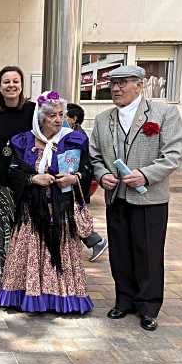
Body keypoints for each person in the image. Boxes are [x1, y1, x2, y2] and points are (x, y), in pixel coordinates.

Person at [89, 65, 182, 331]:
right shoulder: (103, 119)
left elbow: (173, 156)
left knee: (149, 253)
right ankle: (124, 300)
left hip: (150, 199)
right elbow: (95, 155)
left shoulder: (164, 114)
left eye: (123, 83)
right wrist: (102, 174)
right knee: (119, 252)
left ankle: (149, 306)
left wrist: (146, 174)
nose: (115, 89)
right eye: (113, 84)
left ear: (140, 85)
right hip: (116, 197)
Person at [0, 91, 93, 314]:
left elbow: (88, 169)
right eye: (52, 116)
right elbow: (10, 173)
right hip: (32, 211)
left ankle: (61, 298)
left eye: (61, 114)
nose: (58, 119)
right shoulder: (22, 141)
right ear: (40, 118)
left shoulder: (74, 140)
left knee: (60, 253)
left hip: (62, 211)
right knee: (28, 252)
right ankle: (28, 296)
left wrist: (75, 178)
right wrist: (32, 179)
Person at [0, 66, 35, 277]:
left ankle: (24, 274)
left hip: (27, 178)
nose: (11, 85)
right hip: (0, 177)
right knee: (0, 228)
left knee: (25, 228)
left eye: (16, 81)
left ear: (22, 85)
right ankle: (3, 274)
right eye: (6, 82)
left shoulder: (33, 110)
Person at [66, 103, 109, 262]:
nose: (60, 119)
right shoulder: (73, 133)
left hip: (75, 182)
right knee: (74, 216)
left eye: (64, 115)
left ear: (74, 119)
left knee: (73, 215)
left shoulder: (78, 136)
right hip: (74, 182)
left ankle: (96, 241)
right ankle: (95, 241)